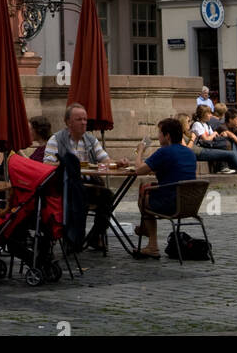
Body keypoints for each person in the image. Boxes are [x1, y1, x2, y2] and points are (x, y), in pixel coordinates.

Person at [43, 103, 129, 253]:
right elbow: (47, 165)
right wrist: (67, 165)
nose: (83, 123)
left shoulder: (91, 140)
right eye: (79, 119)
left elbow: (105, 161)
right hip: (65, 186)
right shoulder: (56, 139)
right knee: (77, 196)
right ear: (68, 122)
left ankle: (94, 237)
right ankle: (73, 239)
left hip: (88, 184)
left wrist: (118, 163)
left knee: (108, 196)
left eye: (85, 119)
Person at [134, 118, 198, 258]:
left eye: (160, 133)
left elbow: (138, 170)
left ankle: (152, 245)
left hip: (171, 203)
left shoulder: (164, 152)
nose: (158, 136)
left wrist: (139, 151)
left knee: (144, 196)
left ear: (167, 135)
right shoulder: (189, 152)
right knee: (147, 187)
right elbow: (174, 170)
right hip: (189, 203)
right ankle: (146, 228)